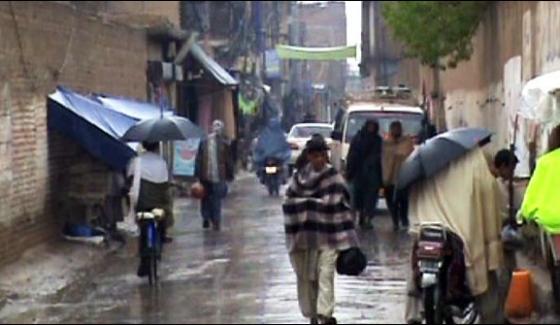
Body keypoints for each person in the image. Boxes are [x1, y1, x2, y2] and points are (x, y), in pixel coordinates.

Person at [283, 135, 359, 325]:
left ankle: (325, 315)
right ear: (309, 156)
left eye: (321, 155)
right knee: (308, 277)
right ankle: (313, 315)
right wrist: (310, 207)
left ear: (325, 156)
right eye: (314, 155)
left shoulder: (333, 177)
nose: (318, 159)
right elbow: (288, 202)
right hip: (306, 238)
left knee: (325, 274)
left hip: (331, 237)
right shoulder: (299, 178)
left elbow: (339, 205)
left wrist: (309, 206)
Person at [127, 141, 173, 277]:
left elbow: (129, 177)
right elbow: (166, 183)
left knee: (143, 227)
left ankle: (144, 261)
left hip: (142, 202)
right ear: (157, 147)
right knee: (163, 215)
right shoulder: (162, 162)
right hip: (159, 204)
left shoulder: (136, 161)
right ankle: (162, 236)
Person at [195, 120, 234, 231]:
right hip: (208, 176)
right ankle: (210, 219)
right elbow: (199, 159)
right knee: (209, 198)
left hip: (214, 176)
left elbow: (228, 161)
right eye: (215, 127)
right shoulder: (205, 142)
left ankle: (212, 219)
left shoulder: (223, 144)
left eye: (219, 127)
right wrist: (197, 174)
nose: (217, 129)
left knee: (212, 199)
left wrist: (229, 174)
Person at [346, 119, 383, 229]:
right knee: (359, 197)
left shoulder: (378, 140)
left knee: (371, 198)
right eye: (369, 126)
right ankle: (361, 215)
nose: (371, 128)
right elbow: (352, 155)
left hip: (373, 174)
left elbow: (381, 157)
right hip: (358, 173)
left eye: (373, 126)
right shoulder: (358, 138)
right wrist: (350, 171)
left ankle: (367, 217)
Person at [382, 121, 414, 231]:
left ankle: (404, 219)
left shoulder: (406, 142)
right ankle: (395, 220)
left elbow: (409, 155)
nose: (396, 131)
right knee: (391, 201)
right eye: (394, 129)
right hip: (388, 178)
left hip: (403, 176)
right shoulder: (385, 143)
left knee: (403, 200)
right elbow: (383, 159)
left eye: (397, 128)